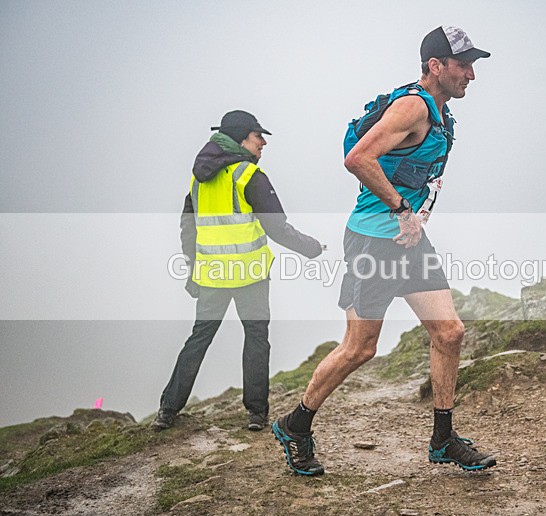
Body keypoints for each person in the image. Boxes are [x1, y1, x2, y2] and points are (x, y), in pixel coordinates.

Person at [272, 26, 495, 475]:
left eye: (473, 65)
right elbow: (358, 158)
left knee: (449, 333)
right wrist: (401, 209)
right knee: (360, 348)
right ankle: (295, 425)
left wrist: (410, 217)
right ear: (436, 66)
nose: (471, 74)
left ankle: (443, 439)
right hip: (374, 240)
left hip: (408, 241)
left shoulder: (440, 112)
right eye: (463, 65)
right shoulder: (413, 106)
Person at [152, 110, 322, 432]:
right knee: (256, 338)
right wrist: (312, 247)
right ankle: (256, 414)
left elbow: (188, 228)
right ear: (241, 138)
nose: (263, 143)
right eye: (259, 136)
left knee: (199, 338)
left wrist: (192, 269)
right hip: (250, 276)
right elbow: (277, 227)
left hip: (211, 275)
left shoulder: (198, 179)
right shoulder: (248, 175)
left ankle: (167, 410)